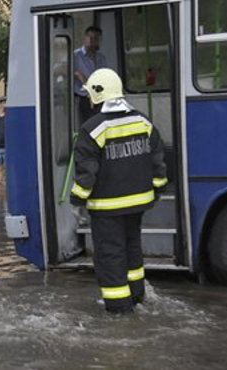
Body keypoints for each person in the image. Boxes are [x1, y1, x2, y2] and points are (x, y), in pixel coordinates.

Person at [70, 68, 167, 314]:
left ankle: (118, 309)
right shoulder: (143, 122)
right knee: (132, 249)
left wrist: (77, 200)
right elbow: (158, 163)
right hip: (138, 205)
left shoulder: (92, 129)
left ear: (97, 95)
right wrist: (156, 190)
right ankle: (137, 296)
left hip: (107, 208)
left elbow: (87, 173)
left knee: (110, 255)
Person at [73, 26, 107, 123]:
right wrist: (77, 74)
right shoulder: (75, 55)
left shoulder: (101, 58)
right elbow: (58, 69)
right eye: (89, 37)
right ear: (84, 38)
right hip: (83, 98)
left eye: (95, 37)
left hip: (98, 97)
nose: (92, 40)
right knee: (86, 125)